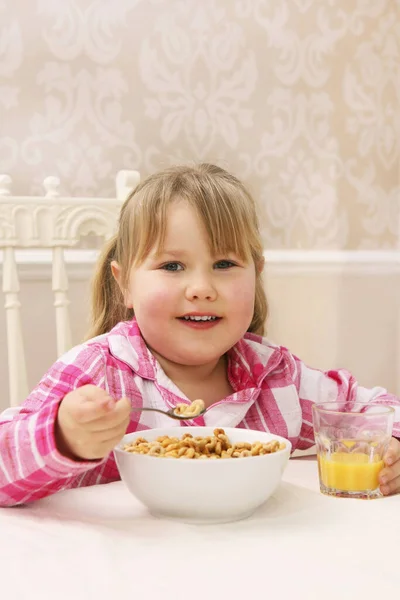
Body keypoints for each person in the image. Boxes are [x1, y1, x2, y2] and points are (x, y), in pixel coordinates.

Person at [0, 163, 399, 507]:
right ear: (125, 285)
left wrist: (394, 445)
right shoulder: (98, 373)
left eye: (225, 263)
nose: (202, 288)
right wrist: (62, 437)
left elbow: (376, 410)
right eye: (172, 266)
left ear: (256, 275)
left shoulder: (277, 377)